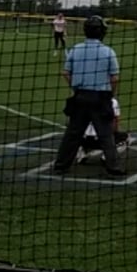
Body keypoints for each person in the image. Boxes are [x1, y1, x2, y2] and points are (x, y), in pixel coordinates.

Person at [52, 15, 124, 176]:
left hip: (80, 97)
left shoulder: (76, 49)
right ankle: (113, 167)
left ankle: (61, 165)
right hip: (100, 97)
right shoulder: (108, 52)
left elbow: (65, 72)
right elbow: (114, 78)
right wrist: (110, 95)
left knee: (72, 134)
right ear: (102, 32)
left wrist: (76, 87)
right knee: (106, 135)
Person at [76, 97, 131, 165]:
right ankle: (106, 157)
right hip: (102, 141)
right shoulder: (112, 101)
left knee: (75, 132)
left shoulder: (83, 98)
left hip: (82, 139)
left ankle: (82, 153)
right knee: (126, 137)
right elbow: (115, 124)